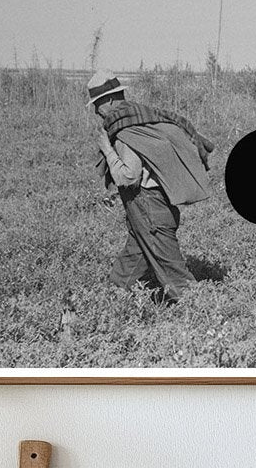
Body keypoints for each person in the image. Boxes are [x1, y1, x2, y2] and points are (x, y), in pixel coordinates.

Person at [89, 70, 214, 303]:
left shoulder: (125, 131)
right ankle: (108, 302)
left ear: (110, 100)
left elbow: (129, 177)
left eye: (97, 104)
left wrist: (107, 149)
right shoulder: (144, 120)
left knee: (174, 274)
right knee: (130, 262)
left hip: (148, 206)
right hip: (156, 205)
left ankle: (206, 312)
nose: (96, 111)